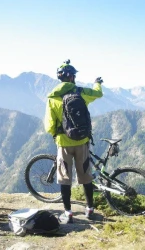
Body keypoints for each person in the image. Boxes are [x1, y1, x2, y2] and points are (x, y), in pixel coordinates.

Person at [44, 60, 103, 223]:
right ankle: (90, 209)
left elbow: (49, 125)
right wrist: (97, 83)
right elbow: (98, 94)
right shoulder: (80, 92)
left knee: (65, 177)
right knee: (85, 175)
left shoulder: (52, 98)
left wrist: (56, 135)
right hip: (82, 141)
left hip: (63, 143)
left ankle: (68, 213)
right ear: (71, 78)